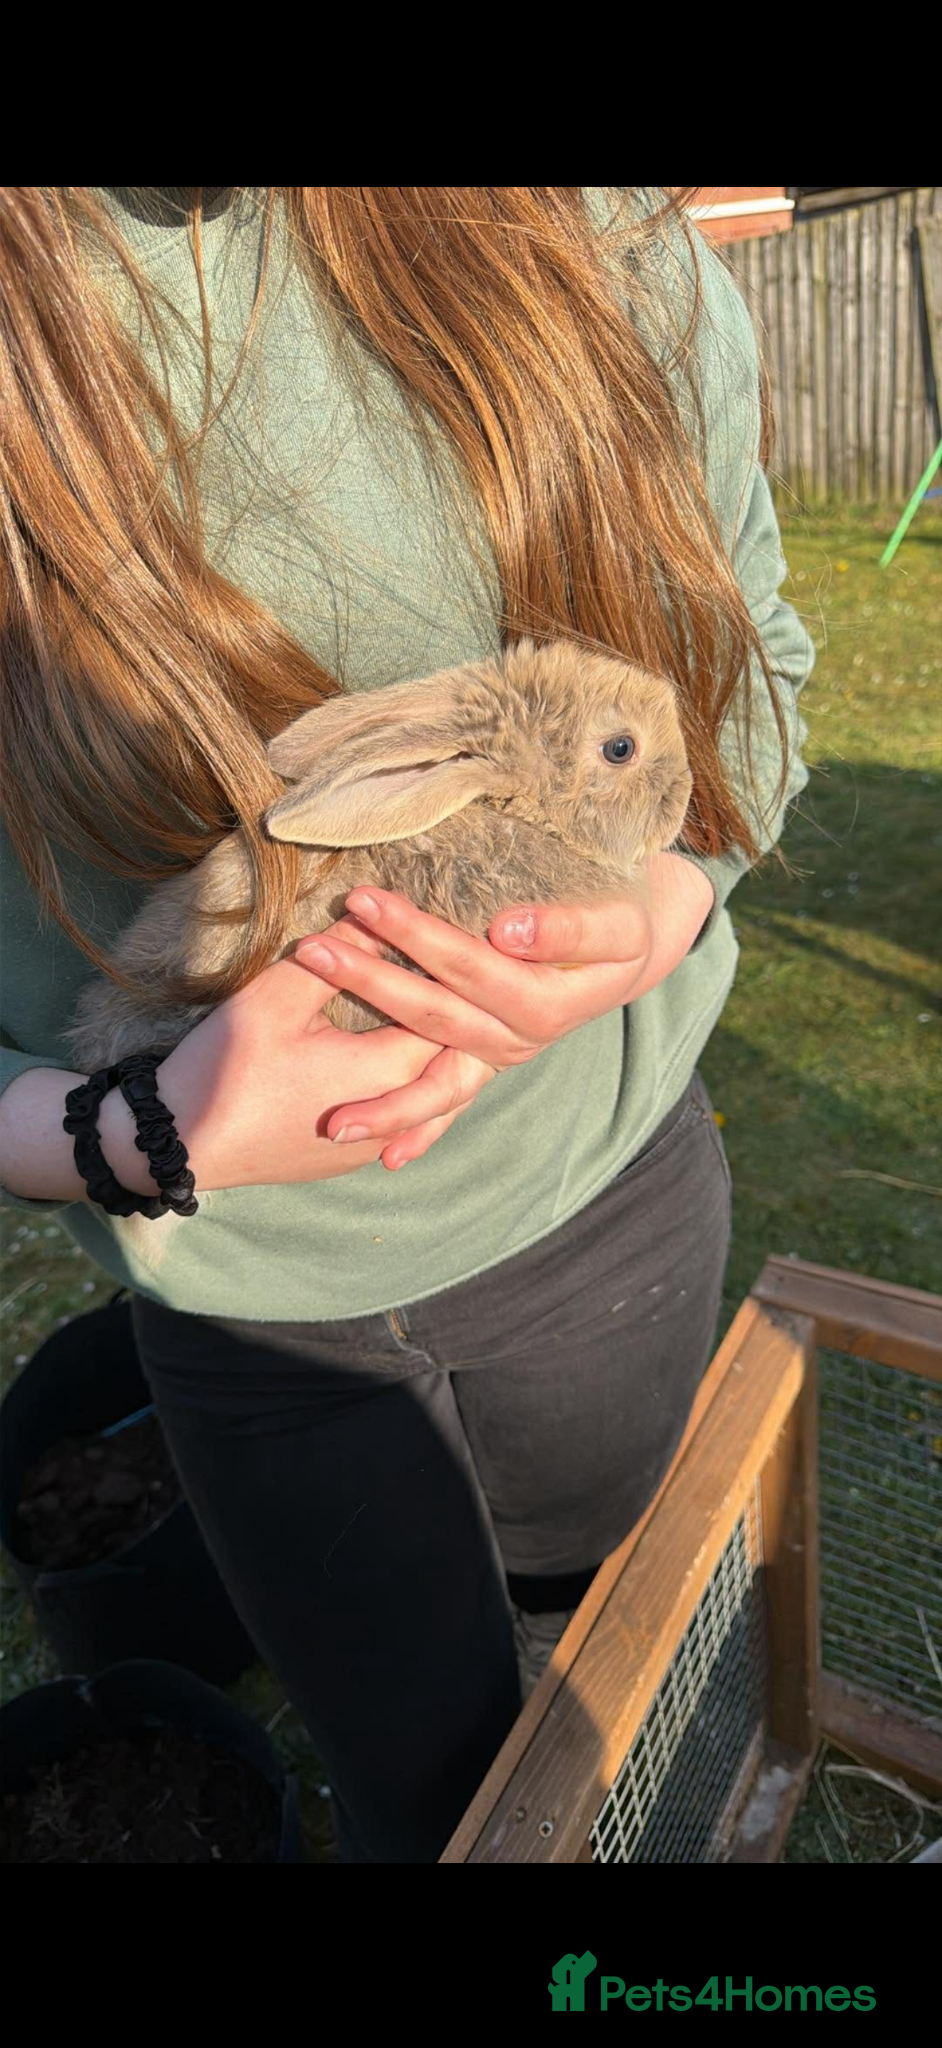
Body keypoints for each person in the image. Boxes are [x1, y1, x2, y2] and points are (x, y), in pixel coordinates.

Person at [0, 187, 812, 1863]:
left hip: (606, 1204)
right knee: (433, 1801)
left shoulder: (595, 229)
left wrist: (661, 900)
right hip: (240, 1296)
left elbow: (759, 686)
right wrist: (119, 1133)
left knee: (626, 1676)